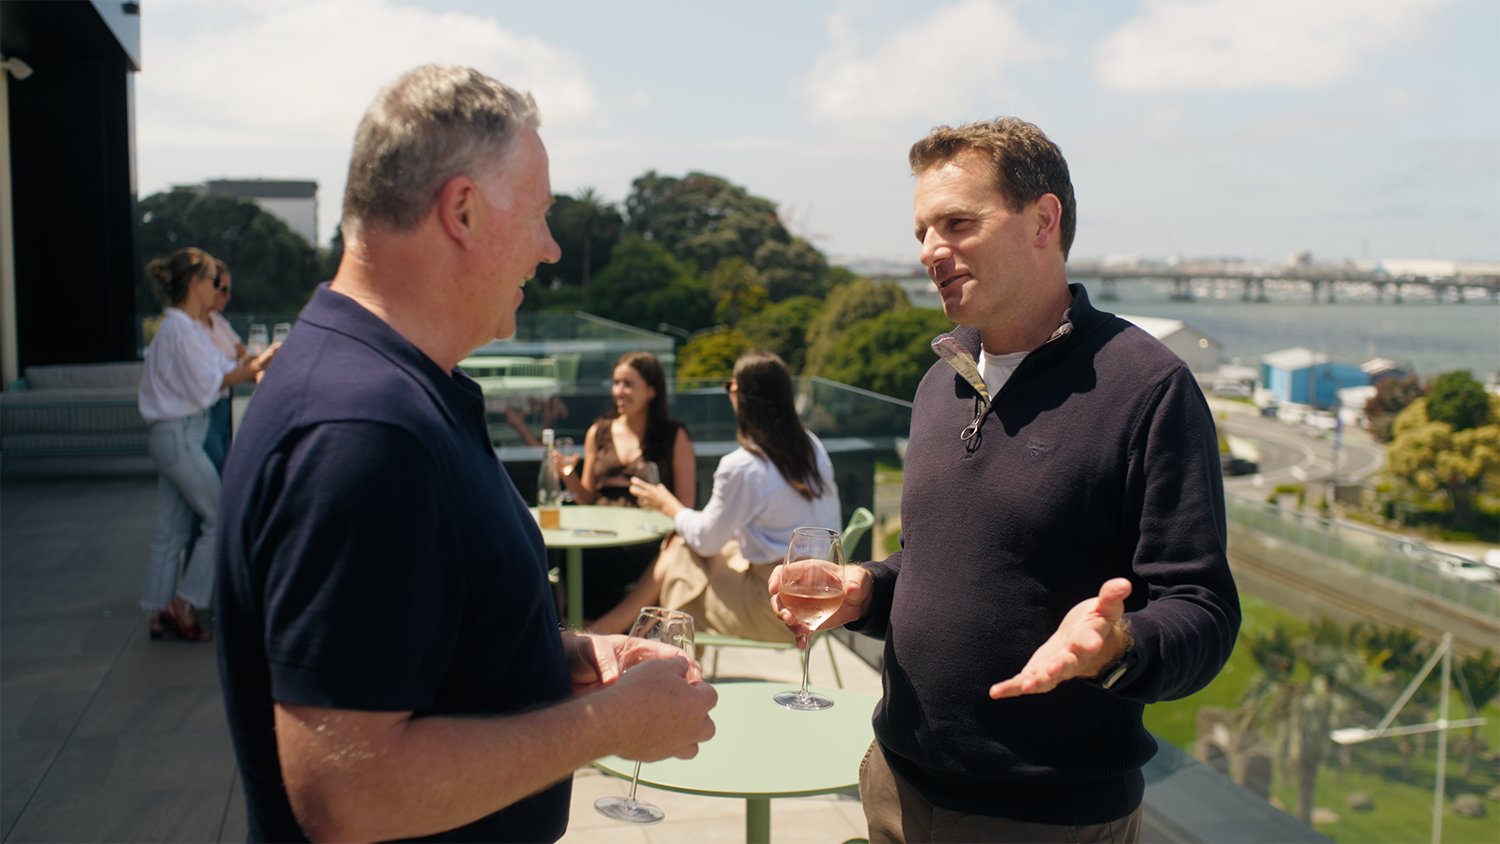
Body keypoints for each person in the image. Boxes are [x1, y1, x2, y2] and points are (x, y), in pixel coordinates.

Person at [214, 65, 716, 844]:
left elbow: (423, 636)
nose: (549, 249)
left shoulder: (392, 389)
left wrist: (574, 654)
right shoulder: (364, 429)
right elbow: (349, 794)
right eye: (542, 216)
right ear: (463, 210)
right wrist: (607, 724)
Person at [772, 118, 1240, 843]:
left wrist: (1118, 647)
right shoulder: (939, 383)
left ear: (1043, 220)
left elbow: (1204, 610)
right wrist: (867, 588)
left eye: (958, 223)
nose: (931, 251)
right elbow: (942, 567)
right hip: (896, 783)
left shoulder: (1149, 388)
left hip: (1043, 820)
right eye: (923, 231)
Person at [595, 349, 840, 640]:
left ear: (740, 394)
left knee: (683, 562)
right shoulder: (811, 446)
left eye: (729, 386)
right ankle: (623, 630)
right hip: (824, 597)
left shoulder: (743, 466)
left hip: (778, 607)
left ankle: (631, 637)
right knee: (683, 551)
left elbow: (706, 540)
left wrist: (669, 506)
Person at [138, 248, 275, 641]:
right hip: (183, 434)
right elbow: (209, 384)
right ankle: (185, 605)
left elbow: (221, 370)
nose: (218, 288)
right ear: (195, 283)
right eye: (213, 279)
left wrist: (247, 367)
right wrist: (256, 366)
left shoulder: (186, 327)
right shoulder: (178, 329)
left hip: (176, 434)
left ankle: (159, 612)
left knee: (171, 530)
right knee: (219, 519)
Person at [558, 351, 695, 620]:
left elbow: (686, 504)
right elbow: (586, 497)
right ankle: (577, 634)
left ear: (652, 390)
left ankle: (591, 636)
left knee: (593, 559)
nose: (619, 391)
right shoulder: (598, 431)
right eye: (616, 382)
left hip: (645, 537)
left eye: (628, 384)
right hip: (600, 531)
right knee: (570, 554)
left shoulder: (674, 436)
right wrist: (566, 473)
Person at [198, 258, 247, 471]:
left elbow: (243, 355)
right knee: (217, 477)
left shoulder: (217, 321)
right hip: (205, 412)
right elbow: (213, 377)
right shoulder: (189, 328)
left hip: (226, 408)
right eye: (223, 289)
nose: (228, 296)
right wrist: (251, 367)